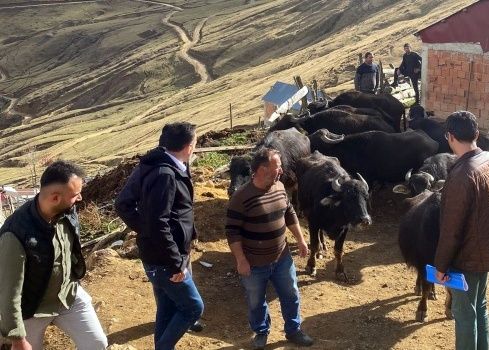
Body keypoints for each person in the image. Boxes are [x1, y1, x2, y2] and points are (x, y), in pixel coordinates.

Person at [434, 111, 489, 350]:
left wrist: (441, 266)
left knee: (463, 314)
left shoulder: (461, 176)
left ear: (449, 137)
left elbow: (451, 229)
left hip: (467, 258)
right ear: (477, 134)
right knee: (480, 305)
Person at [0, 161, 108, 350]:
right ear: (55, 198)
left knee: (96, 343)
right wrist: (17, 338)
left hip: (68, 295)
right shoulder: (15, 233)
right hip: (32, 308)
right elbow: (9, 293)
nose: (80, 198)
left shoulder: (67, 211)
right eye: (75, 195)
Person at [115, 122, 204, 350]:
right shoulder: (165, 173)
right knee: (194, 307)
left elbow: (127, 205)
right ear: (188, 146)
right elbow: (158, 221)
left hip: (160, 253)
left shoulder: (159, 164)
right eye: (194, 143)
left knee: (167, 307)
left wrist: (147, 231)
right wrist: (175, 263)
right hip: (166, 259)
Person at [226, 148, 313, 350]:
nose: (281, 170)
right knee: (256, 301)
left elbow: (289, 213)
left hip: (282, 258)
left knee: (291, 294)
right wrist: (241, 260)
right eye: (278, 166)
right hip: (254, 264)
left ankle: (294, 330)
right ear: (263, 169)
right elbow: (232, 232)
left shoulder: (280, 187)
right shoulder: (240, 198)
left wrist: (300, 239)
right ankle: (261, 332)